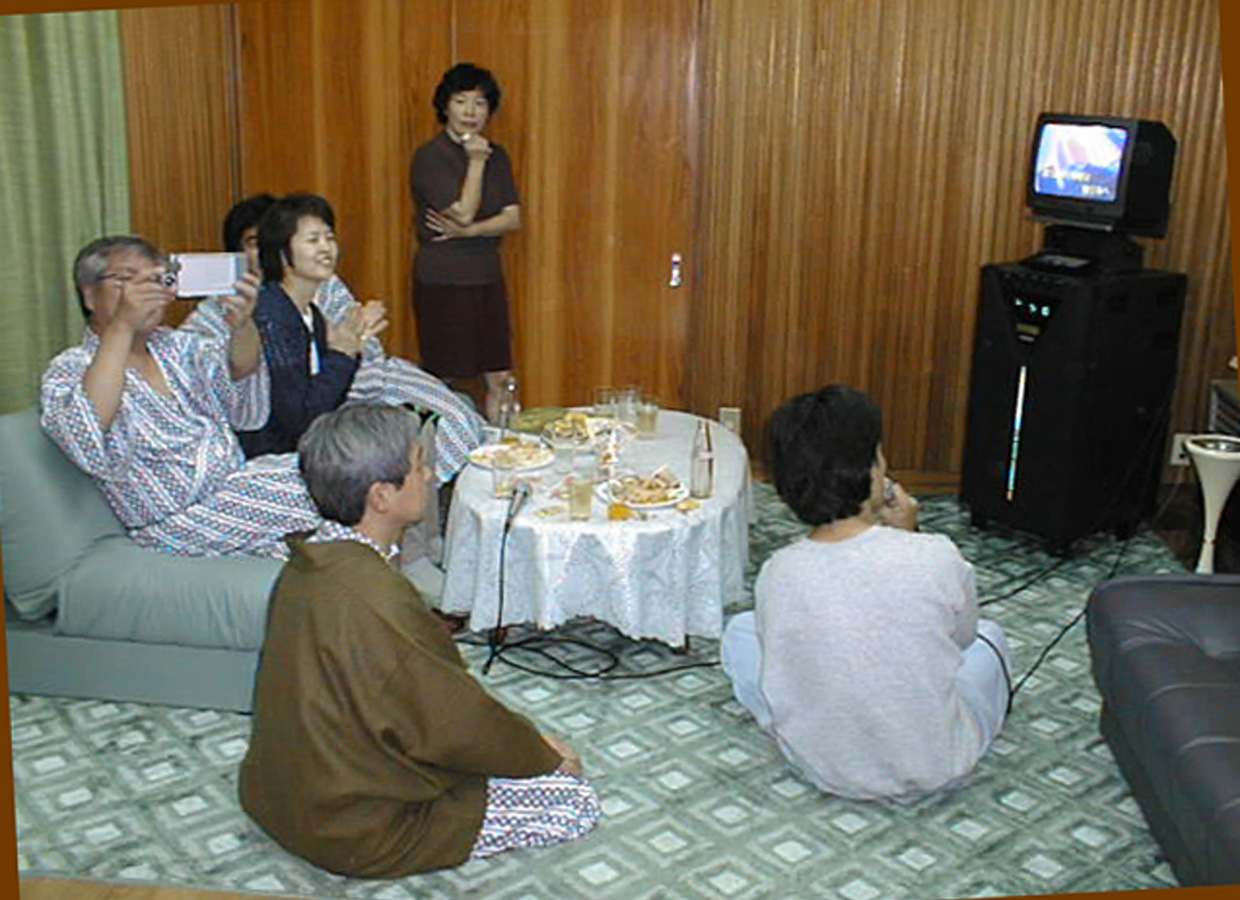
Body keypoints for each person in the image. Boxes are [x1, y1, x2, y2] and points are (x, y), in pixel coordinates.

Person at [238, 404, 600, 877]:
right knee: (573, 801)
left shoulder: (309, 561)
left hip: (276, 798)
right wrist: (541, 754)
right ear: (381, 497)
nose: (430, 476)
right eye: (418, 466)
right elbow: (454, 721)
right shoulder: (375, 597)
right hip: (353, 829)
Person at [720, 385, 1012, 801]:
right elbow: (961, 639)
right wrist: (911, 535)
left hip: (824, 765)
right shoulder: (936, 554)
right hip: (937, 761)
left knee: (741, 633)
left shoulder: (777, 571)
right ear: (873, 471)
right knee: (991, 638)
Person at [40, 236, 320, 557]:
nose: (147, 292)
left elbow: (240, 380)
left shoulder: (177, 345)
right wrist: (122, 326)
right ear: (90, 295)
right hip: (173, 526)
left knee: (333, 462)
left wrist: (244, 324)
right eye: (128, 280)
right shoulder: (71, 368)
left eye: (157, 280)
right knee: (324, 484)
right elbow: (84, 439)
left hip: (233, 493)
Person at [197, 192, 485, 484]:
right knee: (421, 438)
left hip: (355, 387)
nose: (325, 248)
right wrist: (343, 351)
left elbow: (361, 352)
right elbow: (294, 414)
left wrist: (355, 339)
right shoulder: (255, 310)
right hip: (288, 437)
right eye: (312, 240)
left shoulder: (314, 294)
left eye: (328, 238)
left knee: (458, 418)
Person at [411, 62, 520, 423]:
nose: (471, 112)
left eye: (480, 103)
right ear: (445, 106)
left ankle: (505, 448)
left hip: (487, 274)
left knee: (500, 376)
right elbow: (462, 212)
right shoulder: (430, 156)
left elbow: (512, 218)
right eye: (461, 101)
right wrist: (475, 161)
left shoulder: (497, 154)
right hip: (443, 278)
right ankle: (437, 457)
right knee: (443, 380)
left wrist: (472, 232)